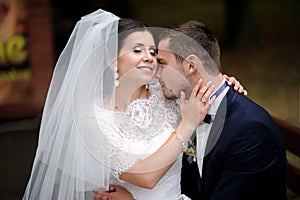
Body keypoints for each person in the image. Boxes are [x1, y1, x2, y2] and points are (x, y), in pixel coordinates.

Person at [22, 9, 216, 200]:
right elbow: (145, 177)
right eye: (137, 49)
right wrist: (187, 125)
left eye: (153, 51)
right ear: (112, 61)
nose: (149, 57)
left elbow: (207, 87)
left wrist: (229, 83)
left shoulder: (168, 96)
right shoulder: (95, 121)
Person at [94, 20, 287, 200]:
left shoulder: (249, 130)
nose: (154, 69)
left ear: (191, 65)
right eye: (138, 50)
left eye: (160, 60)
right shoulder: (183, 103)